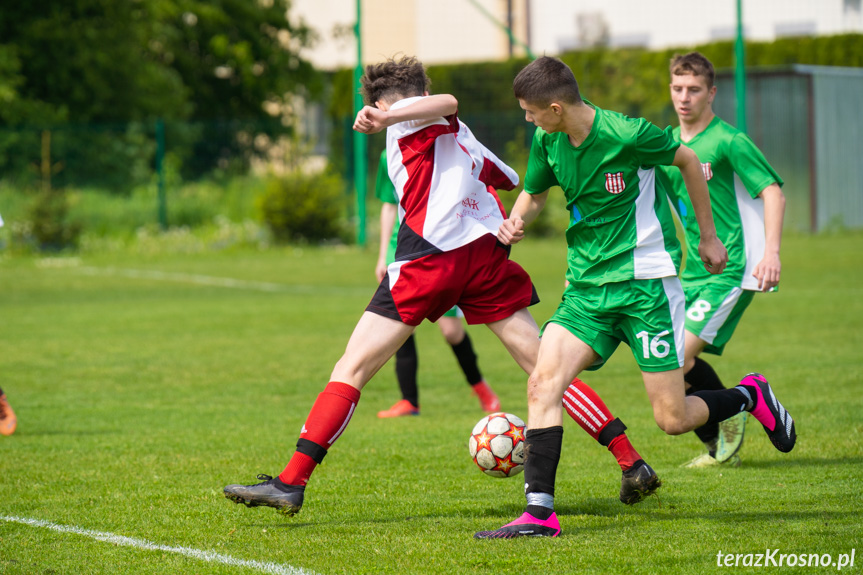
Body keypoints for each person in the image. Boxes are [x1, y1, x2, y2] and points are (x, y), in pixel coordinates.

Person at [223, 56, 659, 517]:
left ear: (385, 101)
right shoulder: (459, 132)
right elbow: (507, 177)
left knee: (351, 367)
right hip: (485, 258)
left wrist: (387, 116)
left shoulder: (405, 122)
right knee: (545, 368)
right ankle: (631, 461)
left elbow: (445, 102)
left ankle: (291, 482)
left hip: (430, 259)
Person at [474, 56, 796, 539]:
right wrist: (518, 217)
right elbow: (536, 192)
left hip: (646, 286)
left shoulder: (628, 134)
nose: (528, 119)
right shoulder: (548, 140)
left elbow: (687, 161)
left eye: (531, 111)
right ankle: (539, 514)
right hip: (585, 289)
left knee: (673, 418)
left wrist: (707, 238)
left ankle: (750, 395)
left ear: (557, 108)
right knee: (543, 382)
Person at [661, 52, 787, 469]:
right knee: (677, 363)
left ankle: (745, 405)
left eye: (694, 89)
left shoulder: (729, 141)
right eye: (677, 88)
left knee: (676, 360)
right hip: (688, 275)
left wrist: (770, 253)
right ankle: (722, 443)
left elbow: (773, 192)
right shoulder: (668, 145)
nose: (684, 97)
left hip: (729, 271)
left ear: (711, 93)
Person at [373, 149, 501, 417]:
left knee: (451, 331)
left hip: (439, 248)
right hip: (401, 250)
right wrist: (383, 254)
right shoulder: (390, 154)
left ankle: (482, 389)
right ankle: (409, 400)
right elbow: (388, 204)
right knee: (399, 325)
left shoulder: (444, 148)